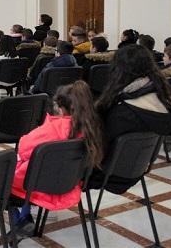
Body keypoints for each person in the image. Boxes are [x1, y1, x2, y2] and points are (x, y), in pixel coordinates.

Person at [10, 81, 104, 237]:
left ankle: (20, 217)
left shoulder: (54, 128)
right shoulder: (91, 128)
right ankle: (24, 216)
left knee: (5, 178)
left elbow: (23, 147)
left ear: (62, 108)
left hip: (36, 187)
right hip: (69, 185)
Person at [91, 44, 171, 193]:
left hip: (107, 173)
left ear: (120, 69)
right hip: (136, 170)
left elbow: (99, 144)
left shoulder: (123, 112)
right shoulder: (163, 100)